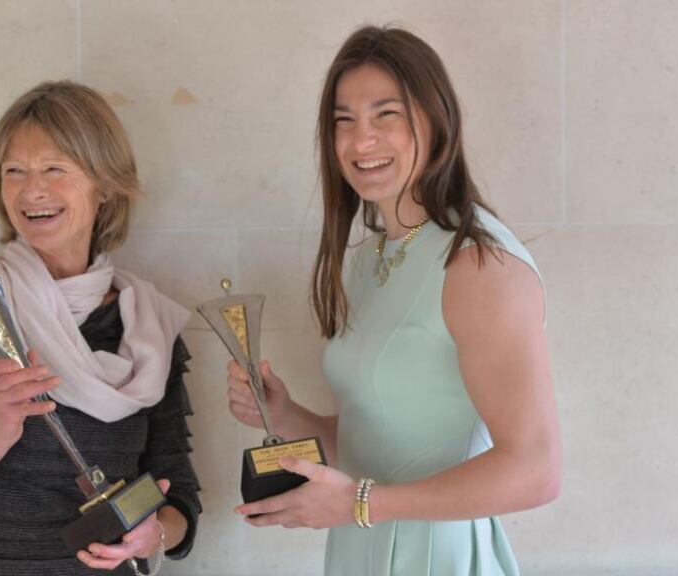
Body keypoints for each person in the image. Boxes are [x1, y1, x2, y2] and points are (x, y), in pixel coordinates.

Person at [226, 26, 561, 575]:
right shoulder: (367, 261)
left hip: (437, 558)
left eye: (387, 115)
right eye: (344, 121)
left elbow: (535, 469)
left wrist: (360, 504)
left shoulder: (478, 264)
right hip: (365, 551)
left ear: (436, 121)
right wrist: (286, 413)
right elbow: (380, 446)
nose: (361, 142)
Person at [0, 81, 201, 576]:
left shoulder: (149, 328)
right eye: (15, 171)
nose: (33, 190)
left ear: (104, 184)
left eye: (55, 168)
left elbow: (178, 496)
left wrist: (154, 533)